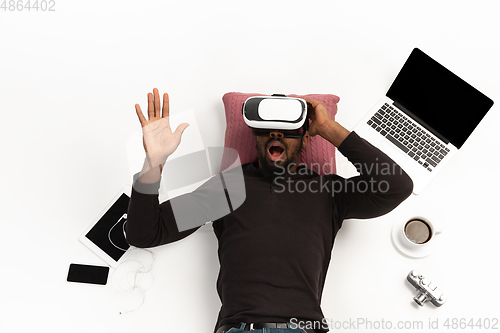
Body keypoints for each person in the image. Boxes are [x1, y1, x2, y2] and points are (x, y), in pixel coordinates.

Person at [125, 88, 413, 333]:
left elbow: (396, 186)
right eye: (265, 128)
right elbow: (144, 233)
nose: (276, 133)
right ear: (255, 136)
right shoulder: (227, 188)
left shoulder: (328, 192)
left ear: (304, 137)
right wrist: (154, 162)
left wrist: (328, 129)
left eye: (288, 130)